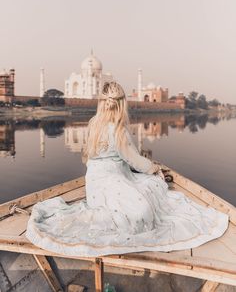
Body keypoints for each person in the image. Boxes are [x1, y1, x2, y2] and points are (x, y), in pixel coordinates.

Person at [25, 81, 229, 257]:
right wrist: (155, 167)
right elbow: (136, 162)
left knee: (134, 200)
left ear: (102, 103)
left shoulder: (93, 123)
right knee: (150, 194)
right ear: (122, 104)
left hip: (94, 185)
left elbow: (87, 157)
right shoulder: (119, 130)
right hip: (112, 178)